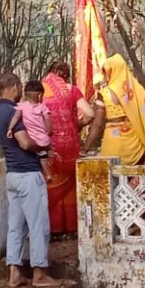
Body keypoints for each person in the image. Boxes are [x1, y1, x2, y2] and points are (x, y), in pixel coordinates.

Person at [0, 72, 58, 288]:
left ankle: (14, 272)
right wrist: (44, 146)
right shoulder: (14, 112)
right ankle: (39, 272)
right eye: (19, 88)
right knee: (39, 225)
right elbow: (25, 143)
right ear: (14, 88)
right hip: (28, 174)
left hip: (12, 174)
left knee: (16, 226)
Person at [41, 61, 95, 235]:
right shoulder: (72, 90)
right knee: (70, 186)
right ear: (66, 75)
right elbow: (90, 114)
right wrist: (76, 125)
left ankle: (54, 229)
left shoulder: (40, 90)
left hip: (50, 149)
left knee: (51, 185)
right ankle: (71, 228)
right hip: (70, 148)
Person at [88, 53, 145, 164]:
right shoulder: (137, 91)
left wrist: (86, 147)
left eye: (105, 72)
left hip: (112, 146)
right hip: (135, 146)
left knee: (111, 177)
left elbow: (98, 124)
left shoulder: (103, 94)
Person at [7, 79, 53, 182]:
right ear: (40, 95)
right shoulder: (43, 107)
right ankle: (48, 174)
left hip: (31, 139)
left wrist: (10, 128)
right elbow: (48, 121)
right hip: (43, 139)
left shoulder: (21, 106)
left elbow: (16, 117)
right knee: (44, 155)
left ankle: (44, 173)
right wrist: (49, 132)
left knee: (39, 153)